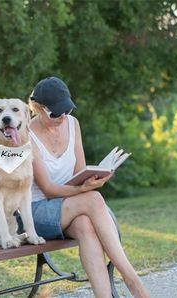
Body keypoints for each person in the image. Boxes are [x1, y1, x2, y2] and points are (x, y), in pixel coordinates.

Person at [28, 77, 150, 298]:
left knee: (85, 225)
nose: (63, 117)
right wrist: (84, 190)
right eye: (56, 113)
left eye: (66, 110)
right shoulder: (27, 135)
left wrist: (95, 178)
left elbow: (80, 172)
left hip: (68, 208)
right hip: (36, 211)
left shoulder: (72, 124)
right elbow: (48, 189)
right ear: (38, 108)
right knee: (93, 199)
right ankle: (133, 282)